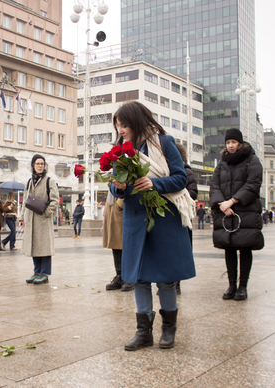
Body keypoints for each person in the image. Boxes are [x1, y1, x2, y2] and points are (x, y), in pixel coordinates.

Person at [109, 101, 195, 351]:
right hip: (136, 220)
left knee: (166, 279)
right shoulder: (120, 149)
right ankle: (143, 332)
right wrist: (119, 187)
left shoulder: (164, 143)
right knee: (140, 278)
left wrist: (155, 184)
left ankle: (169, 330)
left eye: (124, 125)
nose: (121, 130)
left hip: (164, 220)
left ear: (136, 122)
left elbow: (181, 178)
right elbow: (114, 185)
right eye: (118, 125)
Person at [210, 128, 264, 302]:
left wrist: (232, 201)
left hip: (244, 210)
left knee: (245, 247)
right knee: (229, 247)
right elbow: (214, 185)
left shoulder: (252, 160)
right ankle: (232, 285)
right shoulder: (222, 163)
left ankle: (243, 286)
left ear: (239, 143)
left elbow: (253, 184)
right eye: (227, 142)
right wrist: (222, 205)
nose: (230, 145)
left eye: (233, 142)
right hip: (227, 212)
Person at [19, 154, 59, 285]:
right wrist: (22, 217)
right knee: (34, 246)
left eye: (42, 163)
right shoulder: (30, 182)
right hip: (31, 219)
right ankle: (37, 272)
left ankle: (44, 273)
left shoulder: (49, 181)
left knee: (44, 247)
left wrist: (47, 213)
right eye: (38, 163)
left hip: (43, 220)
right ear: (33, 166)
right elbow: (25, 200)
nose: (40, 166)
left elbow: (55, 200)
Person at [174, 143, 198, 295]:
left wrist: (177, 196)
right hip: (170, 218)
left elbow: (193, 193)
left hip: (181, 218)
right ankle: (169, 281)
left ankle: (176, 283)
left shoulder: (186, 171)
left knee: (180, 251)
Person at [103, 193, 134, 292]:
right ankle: (119, 275)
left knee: (125, 243)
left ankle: (129, 277)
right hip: (111, 207)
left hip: (121, 206)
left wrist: (120, 204)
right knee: (115, 242)